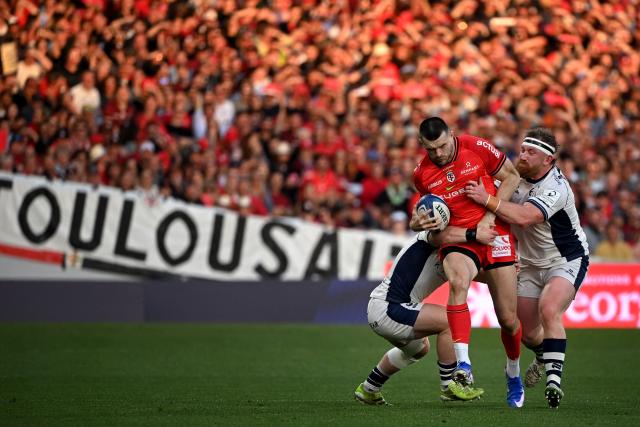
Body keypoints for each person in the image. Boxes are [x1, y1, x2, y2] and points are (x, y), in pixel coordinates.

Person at [465, 127, 590, 409]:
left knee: (549, 310)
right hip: (529, 264)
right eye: (522, 149)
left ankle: (554, 382)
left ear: (548, 160)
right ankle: (545, 357)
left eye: (530, 152)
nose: (522, 155)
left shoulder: (556, 186)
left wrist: (485, 198)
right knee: (527, 332)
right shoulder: (513, 177)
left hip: (565, 259)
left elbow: (525, 217)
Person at [412, 117, 524, 407]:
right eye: (430, 149)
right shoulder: (421, 174)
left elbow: (512, 177)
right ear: (422, 145)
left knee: (509, 321)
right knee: (458, 282)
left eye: (442, 145)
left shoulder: (476, 147)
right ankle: (464, 365)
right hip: (459, 239)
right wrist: (419, 222)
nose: (438, 153)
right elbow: (428, 212)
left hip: (494, 232)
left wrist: (489, 213)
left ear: (451, 134)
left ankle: (513, 373)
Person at [354, 225, 498, 405]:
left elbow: (476, 274)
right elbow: (442, 235)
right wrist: (475, 233)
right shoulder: (430, 239)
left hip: (385, 308)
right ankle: (449, 386)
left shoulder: (452, 257)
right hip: (389, 307)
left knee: (419, 349)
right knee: (450, 321)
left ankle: (369, 388)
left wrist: (506, 271)